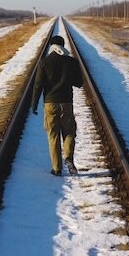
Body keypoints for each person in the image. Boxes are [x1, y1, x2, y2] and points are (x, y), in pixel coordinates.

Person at [31, 34, 84, 176]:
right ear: (63, 45)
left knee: (53, 135)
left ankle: (56, 169)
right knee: (69, 132)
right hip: (67, 102)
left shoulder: (44, 62)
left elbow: (37, 85)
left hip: (50, 103)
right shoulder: (71, 62)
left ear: (51, 47)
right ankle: (68, 158)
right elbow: (79, 83)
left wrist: (34, 105)